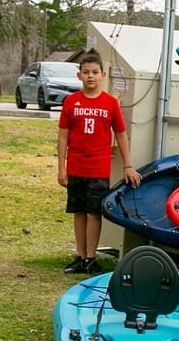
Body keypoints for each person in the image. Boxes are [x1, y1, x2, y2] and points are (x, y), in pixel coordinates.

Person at [56, 51, 141, 274]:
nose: (90, 76)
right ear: (79, 76)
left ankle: (91, 258)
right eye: (86, 72)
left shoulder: (110, 103)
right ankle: (80, 256)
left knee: (94, 212)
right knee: (79, 211)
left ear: (103, 75)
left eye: (94, 72)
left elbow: (121, 134)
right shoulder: (71, 102)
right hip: (76, 166)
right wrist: (61, 168)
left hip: (99, 168)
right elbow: (63, 136)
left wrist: (127, 165)